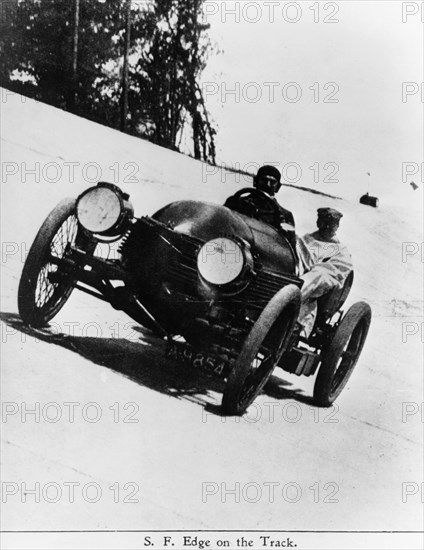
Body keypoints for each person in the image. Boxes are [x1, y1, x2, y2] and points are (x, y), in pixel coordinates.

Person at [296, 207, 353, 337]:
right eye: (323, 222)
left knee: (319, 275)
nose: (327, 227)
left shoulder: (341, 250)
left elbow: (337, 273)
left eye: (331, 224)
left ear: (337, 226)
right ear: (318, 222)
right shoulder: (305, 239)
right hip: (293, 275)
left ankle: (291, 301)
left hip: (307, 295)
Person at [224, 165, 296, 247]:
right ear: (256, 181)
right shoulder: (236, 202)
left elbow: (289, 250)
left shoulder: (285, 215)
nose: (268, 185)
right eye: (264, 180)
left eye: (272, 182)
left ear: (278, 187)